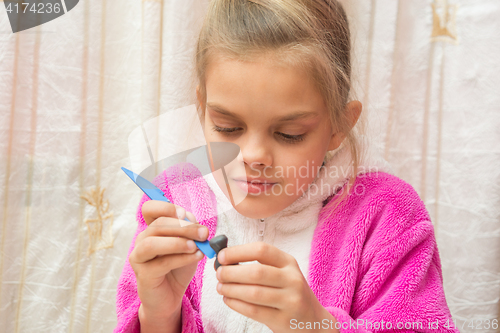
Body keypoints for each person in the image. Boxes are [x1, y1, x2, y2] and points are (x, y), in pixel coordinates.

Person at [115, 0, 460, 332]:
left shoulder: (388, 218)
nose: (253, 156)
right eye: (227, 128)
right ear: (203, 108)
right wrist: (159, 316)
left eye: (288, 133)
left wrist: (319, 327)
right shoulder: (174, 202)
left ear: (340, 124)